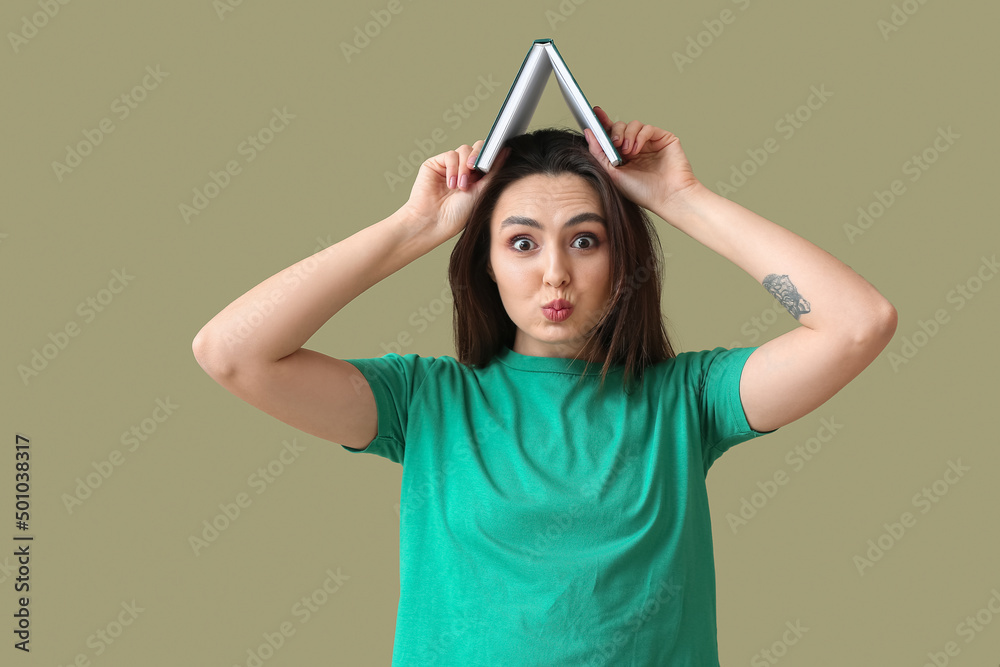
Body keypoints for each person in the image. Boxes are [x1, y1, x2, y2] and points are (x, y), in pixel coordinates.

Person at [191, 106, 897, 665]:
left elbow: (858, 323)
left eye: (585, 239)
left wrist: (681, 198)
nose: (554, 272)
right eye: (522, 242)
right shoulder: (425, 404)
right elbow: (231, 351)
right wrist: (415, 225)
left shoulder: (687, 399)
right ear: (486, 264)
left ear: (622, 261)